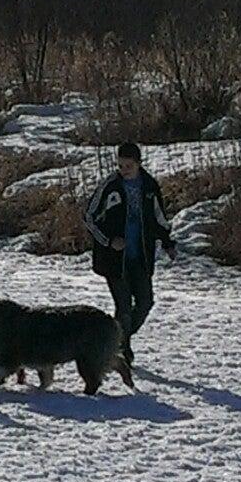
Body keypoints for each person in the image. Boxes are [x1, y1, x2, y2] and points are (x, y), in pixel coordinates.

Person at [84, 141, 176, 365]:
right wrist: (108, 241)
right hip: (114, 260)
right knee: (123, 307)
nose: (124, 170)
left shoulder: (149, 186)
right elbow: (89, 217)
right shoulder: (110, 186)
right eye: (121, 165)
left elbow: (159, 217)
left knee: (145, 302)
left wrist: (167, 242)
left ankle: (117, 340)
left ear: (138, 164)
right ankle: (123, 349)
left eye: (128, 166)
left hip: (141, 256)